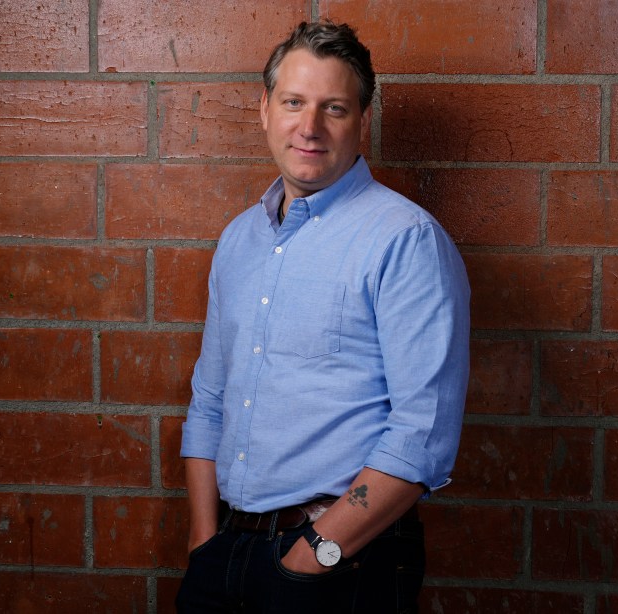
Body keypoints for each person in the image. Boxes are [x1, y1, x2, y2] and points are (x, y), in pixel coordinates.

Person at [176, 20, 470, 614]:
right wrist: (204, 540)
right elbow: (210, 398)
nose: (308, 127)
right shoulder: (239, 240)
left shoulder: (404, 240)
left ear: (362, 119)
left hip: (340, 564)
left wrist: (315, 556)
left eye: (333, 108)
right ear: (264, 110)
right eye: (293, 102)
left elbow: (422, 435)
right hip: (226, 552)